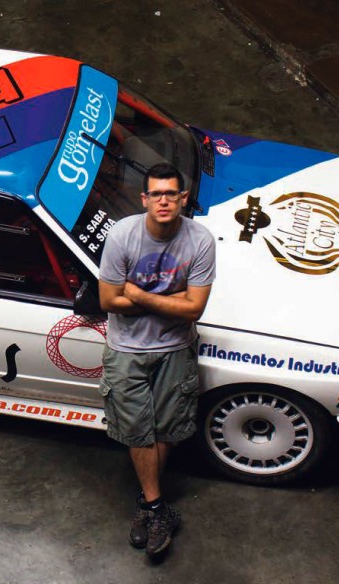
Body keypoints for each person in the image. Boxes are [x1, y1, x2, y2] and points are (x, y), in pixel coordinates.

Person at [98, 161, 215, 556]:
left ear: (183, 198)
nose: (164, 201)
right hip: (127, 349)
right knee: (137, 430)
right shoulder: (122, 235)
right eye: (156, 194)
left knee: (165, 429)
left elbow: (194, 308)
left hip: (175, 347)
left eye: (171, 194)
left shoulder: (200, 240)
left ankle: (149, 505)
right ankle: (156, 507)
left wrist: (138, 294)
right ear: (144, 199)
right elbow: (108, 300)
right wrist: (171, 301)